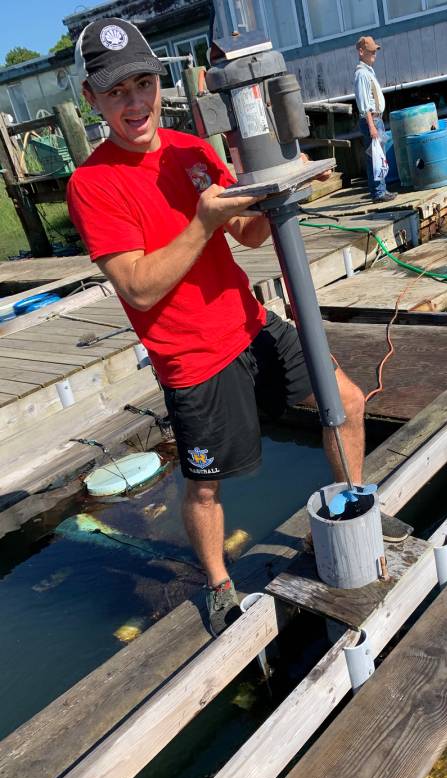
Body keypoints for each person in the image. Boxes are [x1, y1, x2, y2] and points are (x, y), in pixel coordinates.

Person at [66, 17, 366, 635]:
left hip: (251, 324)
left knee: (351, 403)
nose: (134, 102)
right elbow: (137, 285)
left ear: (160, 85)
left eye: (142, 84)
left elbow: (248, 233)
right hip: (192, 360)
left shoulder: (191, 150)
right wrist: (201, 221)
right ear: (91, 99)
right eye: (116, 91)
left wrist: (284, 192)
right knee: (205, 488)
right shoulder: (91, 184)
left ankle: (353, 510)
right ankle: (220, 584)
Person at [354, 35, 397, 203]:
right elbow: (365, 104)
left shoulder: (367, 72)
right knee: (376, 157)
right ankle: (379, 192)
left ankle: (380, 189)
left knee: (378, 156)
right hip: (372, 119)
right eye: (371, 51)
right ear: (361, 51)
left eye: (374, 51)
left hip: (376, 119)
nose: (374, 54)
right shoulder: (362, 74)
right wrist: (371, 126)